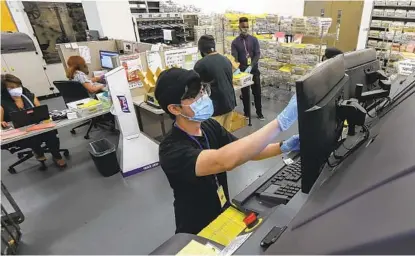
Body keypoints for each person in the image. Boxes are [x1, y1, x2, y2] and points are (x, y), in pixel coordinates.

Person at [155, 68, 299, 234]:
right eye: (195, 96)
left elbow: (246, 151)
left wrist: (283, 146)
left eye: (202, 91)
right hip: (196, 228)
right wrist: (280, 123)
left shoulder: (209, 126)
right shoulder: (170, 150)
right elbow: (224, 160)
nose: (202, 98)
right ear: (175, 109)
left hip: (223, 213)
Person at [1, 74, 66, 168]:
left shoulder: (29, 96)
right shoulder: (2, 103)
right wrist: (2, 123)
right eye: (11, 87)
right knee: (33, 138)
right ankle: (38, 152)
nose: (16, 89)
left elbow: (41, 112)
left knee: (51, 134)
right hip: (21, 133)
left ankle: (56, 156)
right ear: (4, 90)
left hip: (37, 127)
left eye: (18, 86)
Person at [194, 35, 236, 130]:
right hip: (230, 103)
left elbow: (196, 87)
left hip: (216, 108)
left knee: (215, 137)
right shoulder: (226, 60)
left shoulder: (200, 64)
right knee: (226, 134)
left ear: (201, 50)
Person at [231, 17, 264, 120]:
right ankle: (246, 113)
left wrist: (251, 66)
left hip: (253, 70)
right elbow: (235, 57)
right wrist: (236, 69)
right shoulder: (235, 42)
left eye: (247, 27)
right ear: (239, 27)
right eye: (243, 27)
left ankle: (259, 112)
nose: (245, 29)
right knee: (245, 94)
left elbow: (257, 54)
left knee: (257, 92)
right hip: (243, 72)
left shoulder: (253, 39)